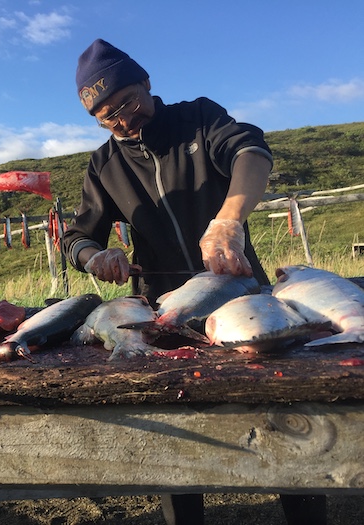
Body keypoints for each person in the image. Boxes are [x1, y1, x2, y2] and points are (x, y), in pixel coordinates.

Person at [63, 38, 327, 525]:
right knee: (174, 428)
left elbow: (252, 149)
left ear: (145, 81)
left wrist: (229, 219)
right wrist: (96, 255)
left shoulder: (199, 119)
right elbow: (76, 238)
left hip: (243, 296)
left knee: (282, 413)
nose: (122, 119)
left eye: (126, 101)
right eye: (105, 115)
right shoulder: (104, 165)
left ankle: (306, 512)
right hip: (161, 316)